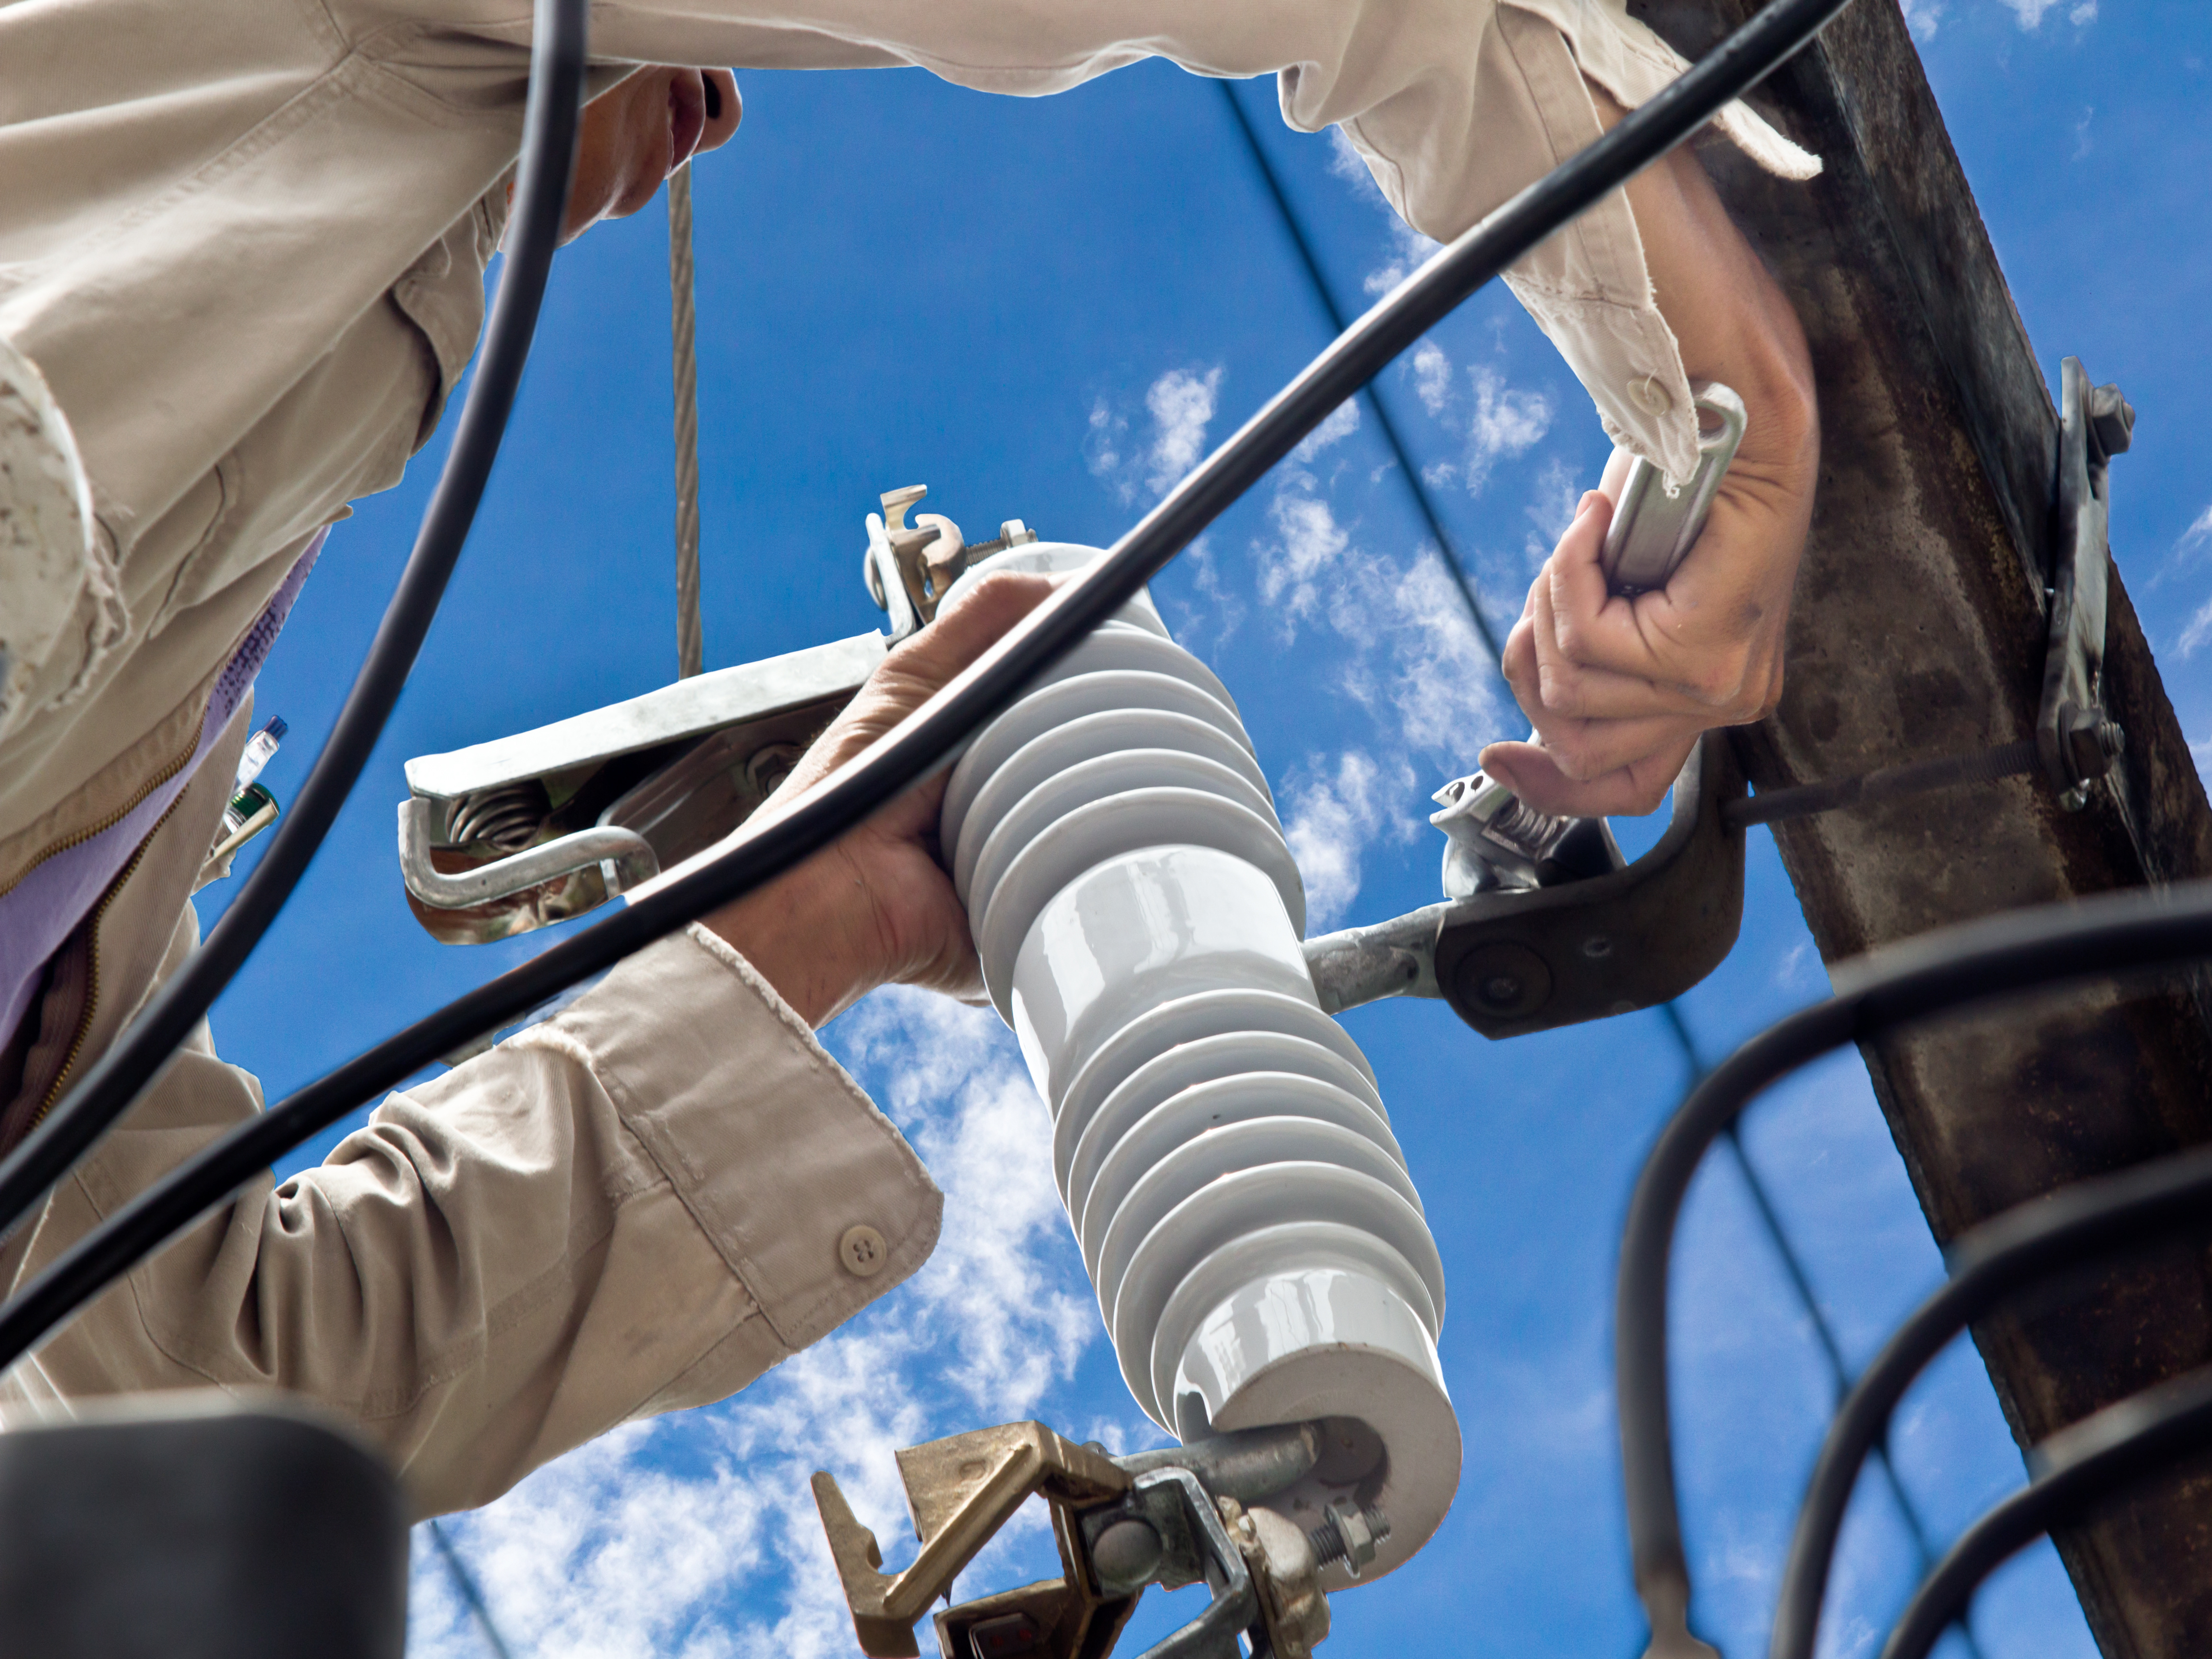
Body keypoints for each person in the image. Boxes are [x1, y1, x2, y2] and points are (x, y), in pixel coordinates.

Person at [0, 0, 1819, 1517]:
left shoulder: (107, 856)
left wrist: (813, 913)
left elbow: (227, 1392)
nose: (714, 107)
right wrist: (1725, 391)